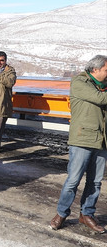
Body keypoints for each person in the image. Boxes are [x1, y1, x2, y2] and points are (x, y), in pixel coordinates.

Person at [49, 55, 107, 233]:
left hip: (101, 140)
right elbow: (100, 99)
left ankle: (86, 214)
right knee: (73, 180)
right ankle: (61, 213)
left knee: (95, 182)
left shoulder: (102, 86)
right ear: (95, 70)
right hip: (82, 138)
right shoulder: (80, 82)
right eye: (106, 70)